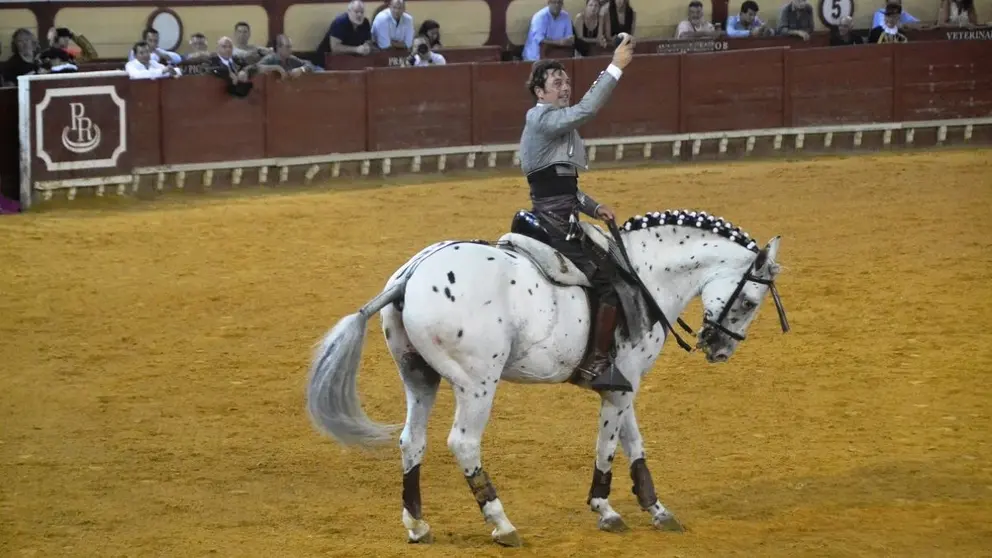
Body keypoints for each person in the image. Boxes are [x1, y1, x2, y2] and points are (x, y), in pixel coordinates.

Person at [517, 33, 634, 392]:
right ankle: (595, 363)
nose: (565, 87)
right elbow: (587, 110)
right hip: (556, 225)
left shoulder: (551, 124)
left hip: (561, 215)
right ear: (540, 92)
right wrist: (615, 67)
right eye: (557, 82)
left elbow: (562, 187)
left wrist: (593, 206)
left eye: (567, 81)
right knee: (608, 283)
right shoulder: (541, 119)